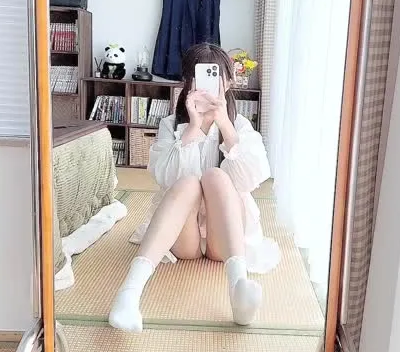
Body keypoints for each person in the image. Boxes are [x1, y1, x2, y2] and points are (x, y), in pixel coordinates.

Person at [109, 43, 280, 333]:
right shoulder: (171, 124)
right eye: (198, 77)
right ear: (188, 82)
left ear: (228, 82)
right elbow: (165, 177)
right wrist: (192, 128)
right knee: (189, 182)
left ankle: (238, 287)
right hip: (183, 236)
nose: (206, 85)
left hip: (225, 238)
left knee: (215, 177)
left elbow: (251, 179)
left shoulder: (240, 125)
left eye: (214, 76)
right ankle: (129, 293)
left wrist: (225, 125)